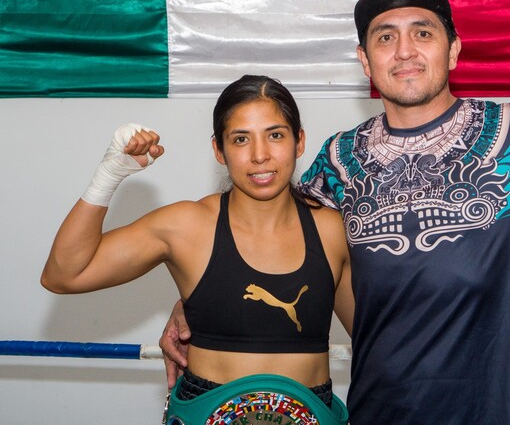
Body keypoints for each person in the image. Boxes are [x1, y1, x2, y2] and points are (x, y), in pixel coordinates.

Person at [160, 0, 510, 424]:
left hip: (501, 411)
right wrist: (193, 305)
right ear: (365, 60)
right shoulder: (340, 160)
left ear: (452, 48)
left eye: (422, 33)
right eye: (385, 37)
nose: (404, 51)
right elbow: (276, 243)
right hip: (378, 413)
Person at [41, 75, 353, 424]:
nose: (260, 155)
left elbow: (376, 333)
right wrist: (108, 176)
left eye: (275, 135)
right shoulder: (187, 226)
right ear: (219, 150)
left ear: (299, 142)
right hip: (203, 409)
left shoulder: (332, 230)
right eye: (240, 139)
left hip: (313, 409)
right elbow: (65, 273)